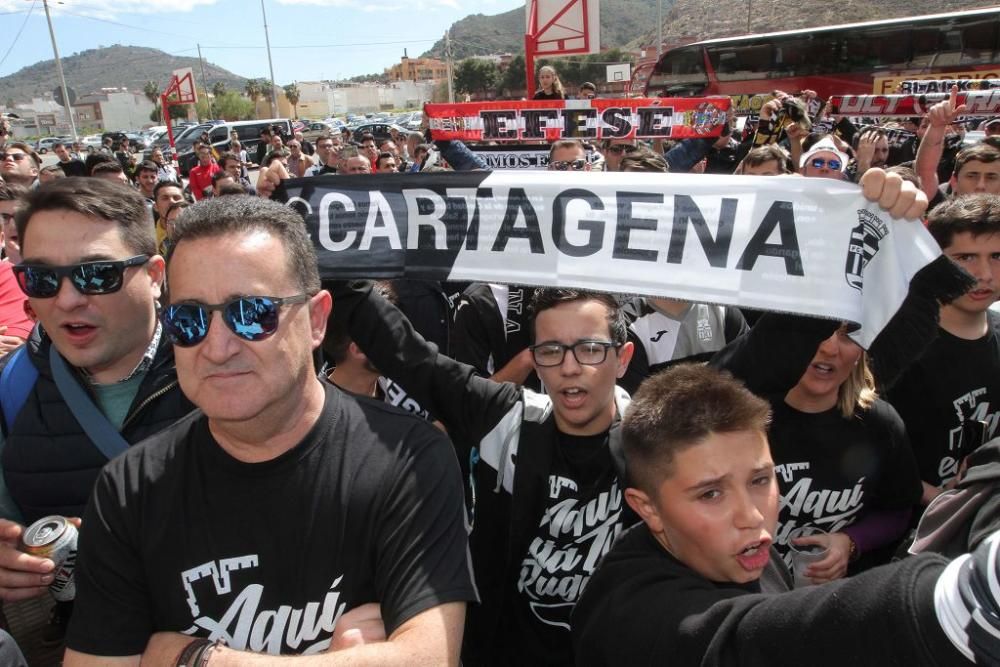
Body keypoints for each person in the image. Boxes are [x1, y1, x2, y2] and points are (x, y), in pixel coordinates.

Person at [64, 195, 476, 664]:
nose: (217, 347)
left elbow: (428, 658)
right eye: (189, 319)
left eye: (252, 313)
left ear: (317, 319)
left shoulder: (409, 458)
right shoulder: (129, 488)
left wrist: (199, 659)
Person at [571, 363, 998, 666]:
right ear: (648, 509)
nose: (751, 515)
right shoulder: (627, 610)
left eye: (760, 480)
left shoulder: (742, 551)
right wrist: (955, 599)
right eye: (711, 493)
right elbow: (747, 639)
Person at [329, 279, 637, 666]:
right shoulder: (508, 419)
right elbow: (410, 356)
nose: (570, 367)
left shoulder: (652, 439)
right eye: (551, 350)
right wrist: (343, 266)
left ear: (623, 358)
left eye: (590, 349)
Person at [0, 177, 193, 644]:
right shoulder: (11, 389)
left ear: (154, 274)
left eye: (97, 275)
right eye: (42, 278)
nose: (67, 299)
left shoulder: (225, 369)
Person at [888, 194, 1000, 505]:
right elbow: (872, 451)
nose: (984, 275)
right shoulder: (899, 345)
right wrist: (937, 500)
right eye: (965, 258)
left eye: (997, 257)